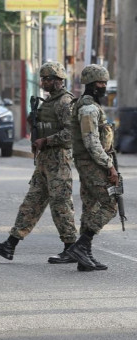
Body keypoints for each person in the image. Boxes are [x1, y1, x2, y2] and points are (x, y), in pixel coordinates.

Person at [0, 61, 78, 264]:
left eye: (48, 79)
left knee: (61, 206)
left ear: (59, 81)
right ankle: (10, 244)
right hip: (44, 161)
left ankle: (71, 248)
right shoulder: (48, 102)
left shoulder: (65, 103)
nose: (43, 82)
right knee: (31, 204)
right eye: (42, 78)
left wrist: (47, 140)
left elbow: (71, 134)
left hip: (58, 162)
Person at [66, 64, 120, 271]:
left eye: (105, 82)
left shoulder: (91, 105)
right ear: (90, 84)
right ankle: (81, 245)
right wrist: (109, 167)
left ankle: (84, 256)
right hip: (93, 164)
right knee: (110, 204)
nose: (103, 86)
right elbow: (91, 141)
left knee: (90, 207)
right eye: (100, 83)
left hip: (89, 163)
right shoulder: (88, 108)